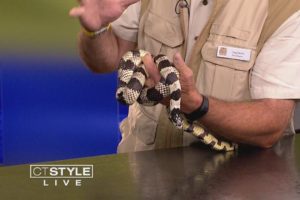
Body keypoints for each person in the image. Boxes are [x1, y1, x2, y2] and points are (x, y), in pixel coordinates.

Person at [70, 0, 300, 153]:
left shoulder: (285, 8)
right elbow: (108, 60)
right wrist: (97, 29)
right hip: (146, 178)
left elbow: (271, 125)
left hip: (233, 186)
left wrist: (195, 105)